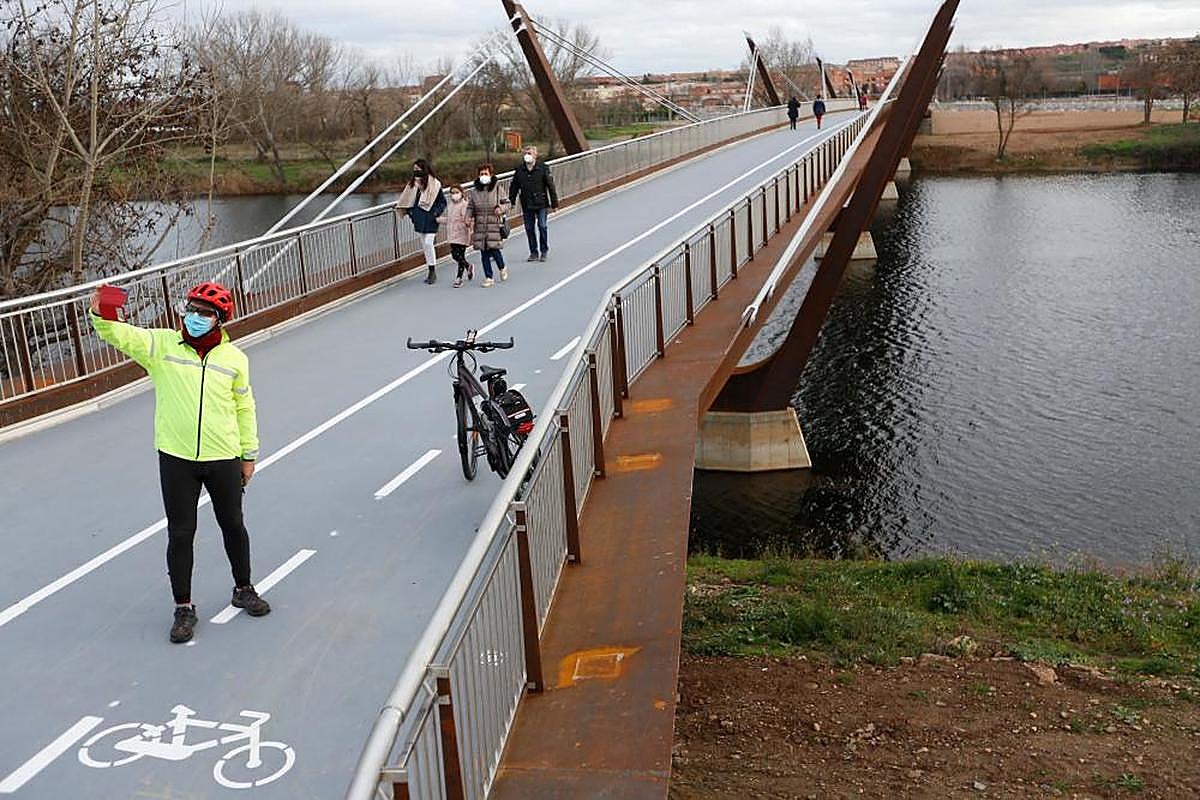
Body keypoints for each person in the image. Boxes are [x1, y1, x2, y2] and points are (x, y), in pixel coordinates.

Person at [89, 281, 268, 644]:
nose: (194, 317)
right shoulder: (161, 346)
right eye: (191, 309)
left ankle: (243, 588)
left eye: (204, 313)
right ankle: (183, 608)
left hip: (224, 457)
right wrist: (99, 310)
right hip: (177, 459)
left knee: (233, 524)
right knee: (181, 533)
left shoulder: (234, 360)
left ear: (219, 320)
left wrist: (248, 455)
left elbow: (244, 408)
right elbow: (116, 332)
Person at [396, 158, 446, 284]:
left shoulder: (435, 184)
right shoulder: (412, 184)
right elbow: (406, 200)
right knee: (424, 244)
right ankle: (430, 268)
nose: (416, 173)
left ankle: (432, 271)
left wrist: (436, 212)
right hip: (419, 218)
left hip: (431, 218)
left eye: (418, 170)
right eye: (414, 170)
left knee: (429, 243)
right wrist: (411, 213)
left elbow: (442, 201)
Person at [508, 145, 558, 263]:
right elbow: (514, 186)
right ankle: (533, 252)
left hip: (541, 203)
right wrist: (512, 201)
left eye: (530, 153)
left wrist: (554, 203)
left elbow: (550, 186)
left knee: (542, 226)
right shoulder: (520, 170)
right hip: (527, 203)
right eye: (526, 153)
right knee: (529, 228)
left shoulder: (542, 168)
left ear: (535, 155)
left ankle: (544, 250)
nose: (527, 155)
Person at [467, 164, 511, 288]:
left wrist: (501, 208)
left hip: (494, 224)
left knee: (495, 249)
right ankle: (489, 277)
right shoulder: (474, 191)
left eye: (486, 173)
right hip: (480, 225)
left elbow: (508, 203)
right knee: (484, 252)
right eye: (481, 174)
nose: (483, 176)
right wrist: (468, 217)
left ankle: (502, 267)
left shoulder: (497, 189)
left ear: (491, 175)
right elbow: (470, 207)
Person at [438, 183, 475, 288]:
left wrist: (470, 227)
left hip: (462, 233)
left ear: (461, 193)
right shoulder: (450, 205)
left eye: (456, 192)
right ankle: (468, 266)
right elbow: (450, 220)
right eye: (452, 193)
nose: (454, 195)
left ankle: (459, 278)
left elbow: (468, 219)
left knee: (460, 255)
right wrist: (439, 220)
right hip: (452, 234)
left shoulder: (464, 205)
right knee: (454, 255)